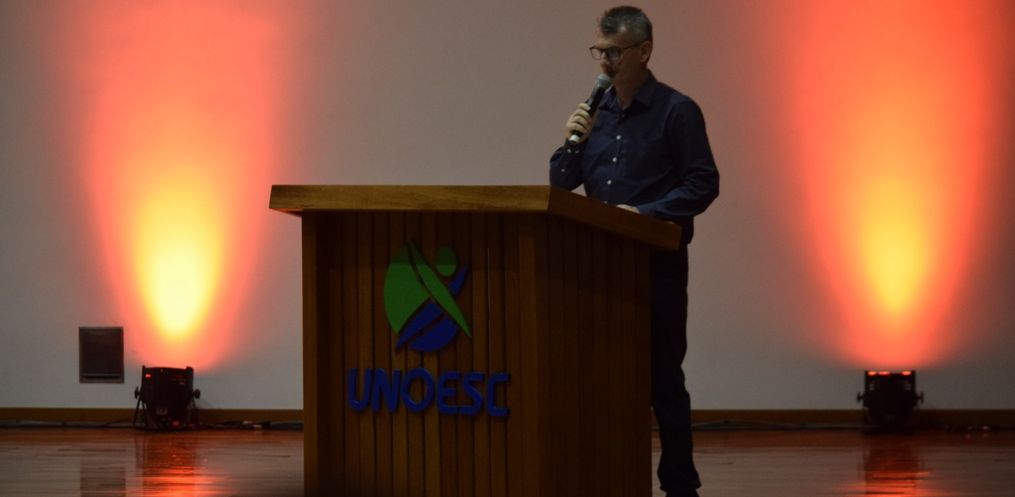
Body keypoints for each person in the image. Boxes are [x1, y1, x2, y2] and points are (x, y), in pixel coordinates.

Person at [548, 6, 720, 497]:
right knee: (601, 379)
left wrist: (642, 215)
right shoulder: (596, 113)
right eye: (599, 51)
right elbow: (561, 183)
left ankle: (680, 486)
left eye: (615, 52)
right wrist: (572, 142)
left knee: (663, 381)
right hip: (598, 269)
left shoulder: (676, 111)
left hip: (655, 266)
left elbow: (703, 184)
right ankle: (607, 476)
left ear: (644, 51)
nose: (604, 62)